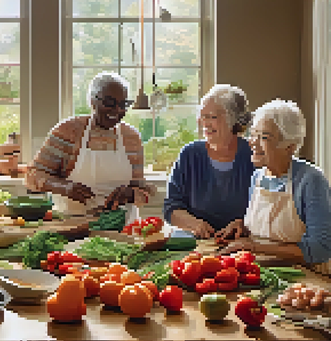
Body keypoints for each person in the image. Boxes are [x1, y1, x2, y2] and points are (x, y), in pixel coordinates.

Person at [26, 72, 155, 223]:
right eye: (109, 103)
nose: (117, 110)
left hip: (123, 227)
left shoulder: (131, 138)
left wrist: (132, 194)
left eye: (123, 104)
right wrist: (64, 187)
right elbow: (32, 176)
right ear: (93, 101)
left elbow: (142, 190)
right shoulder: (67, 131)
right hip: (71, 225)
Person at [219, 99, 331, 273]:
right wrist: (243, 226)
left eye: (264, 137)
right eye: (253, 134)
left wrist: (255, 247)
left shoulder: (311, 180)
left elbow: (320, 249)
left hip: (307, 279)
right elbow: (269, 230)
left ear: (289, 147)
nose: (252, 142)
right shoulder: (257, 177)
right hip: (264, 272)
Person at [163, 84, 255, 239]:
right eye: (202, 116)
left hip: (243, 244)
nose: (204, 123)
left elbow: (269, 210)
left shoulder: (254, 155)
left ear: (233, 120)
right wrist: (194, 224)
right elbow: (171, 208)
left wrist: (244, 224)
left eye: (212, 117)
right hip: (198, 244)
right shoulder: (190, 154)